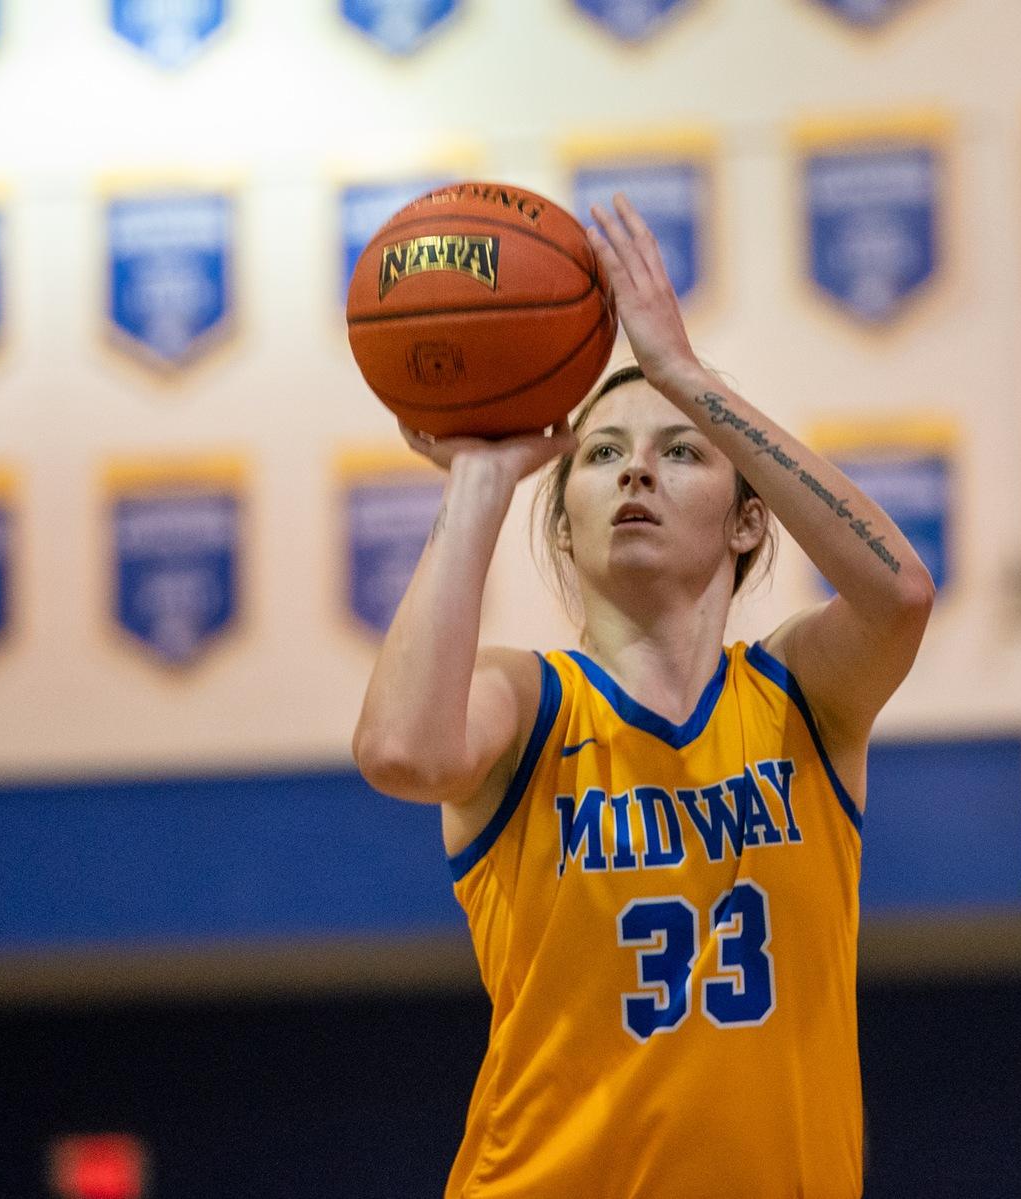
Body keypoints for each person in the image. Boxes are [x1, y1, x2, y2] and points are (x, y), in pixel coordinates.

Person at [352, 195, 935, 1198]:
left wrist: (685, 376)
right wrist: (480, 480)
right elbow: (402, 750)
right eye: (602, 453)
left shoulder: (800, 698)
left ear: (747, 522)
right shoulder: (527, 703)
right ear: (567, 526)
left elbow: (899, 590)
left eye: (679, 451)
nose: (635, 471)